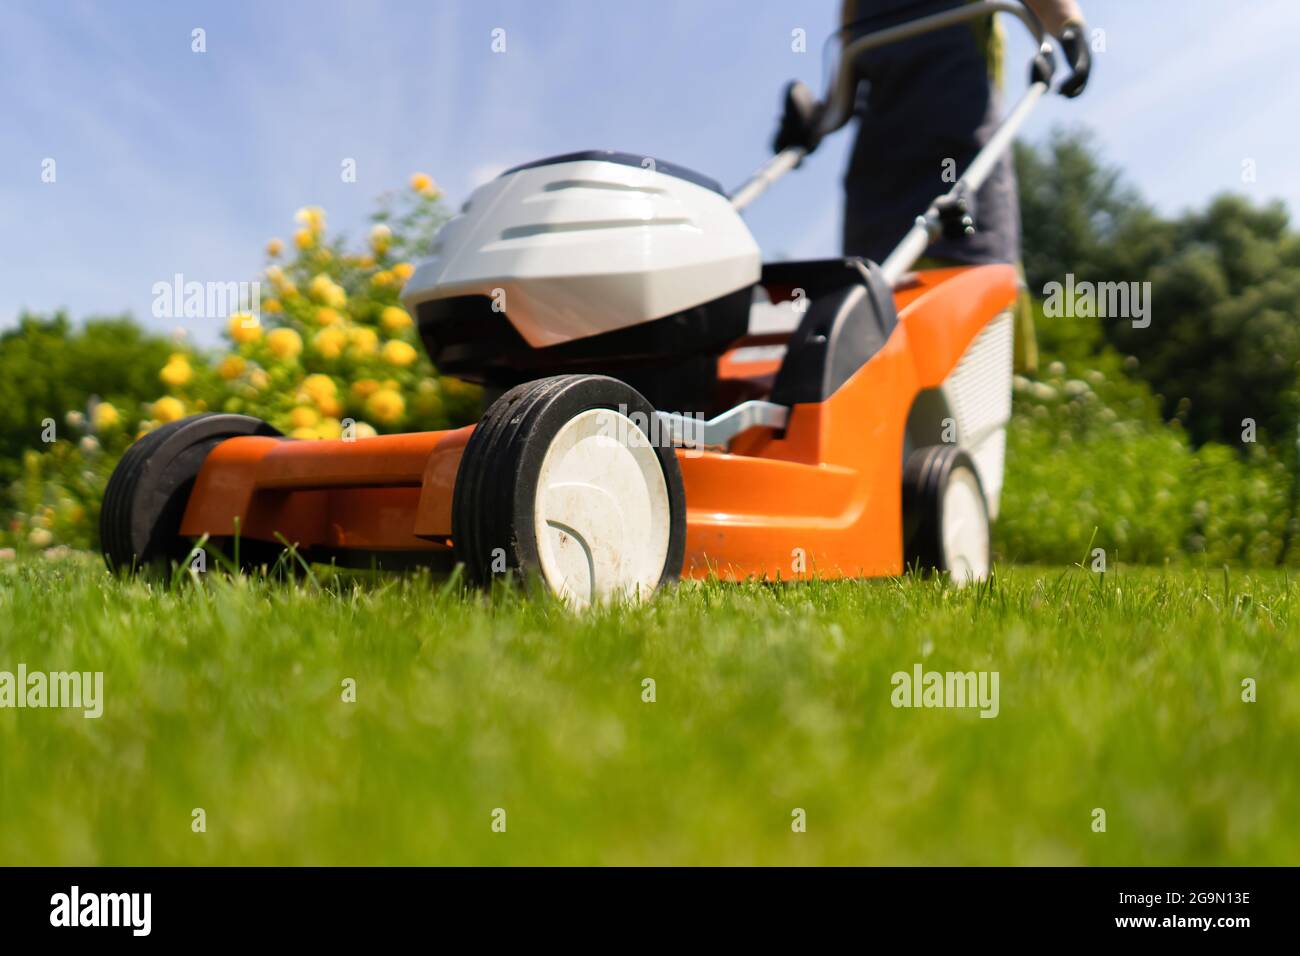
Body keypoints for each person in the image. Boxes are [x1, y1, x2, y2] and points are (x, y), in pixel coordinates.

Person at [776, 0, 1091, 373]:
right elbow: (843, 91)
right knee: (875, 334)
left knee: (965, 334)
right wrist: (811, 122)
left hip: (964, 171)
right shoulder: (856, 5)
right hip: (878, 187)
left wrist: (1070, 28)